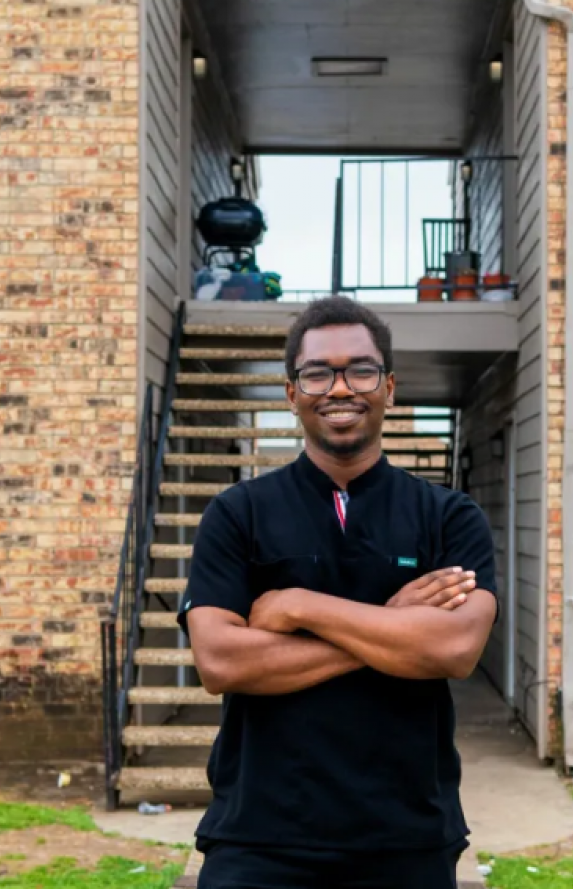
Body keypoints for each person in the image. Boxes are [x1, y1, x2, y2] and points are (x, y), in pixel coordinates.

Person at [178, 296, 498, 889]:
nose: (341, 388)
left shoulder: (449, 517)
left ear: (389, 388)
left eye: (361, 370)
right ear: (292, 392)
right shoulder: (238, 514)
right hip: (259, 838)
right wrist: (392, 626)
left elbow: (454, 649)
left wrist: (297, 606)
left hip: (406, 837)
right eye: (318, 373)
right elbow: (221, 661)